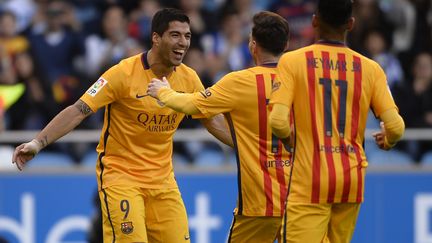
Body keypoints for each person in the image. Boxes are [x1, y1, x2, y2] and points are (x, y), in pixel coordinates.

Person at [12, 8, 232, 243]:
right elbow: (78, 110)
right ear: (156, 38)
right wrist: (37, 143)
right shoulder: (122, 74)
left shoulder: (189, 78)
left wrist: (247, 147)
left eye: (187, 36)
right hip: (121, 178)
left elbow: (211, 118)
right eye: (175, 35)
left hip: (163, 182)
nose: (183, 43)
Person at [147, 11, 291, 242]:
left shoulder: (240, 82)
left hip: (259, 204)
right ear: (285, 44)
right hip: (301, 200)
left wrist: (163, 92)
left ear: (253, 45)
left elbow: (195, 104)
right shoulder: (303, 81)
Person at [268, 0, 405, 242]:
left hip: (310, 179)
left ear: (314, 21)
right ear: (351, 24)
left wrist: (292, 142)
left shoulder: (292, 61)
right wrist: (388, 140)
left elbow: (278, 121)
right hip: (350, 180)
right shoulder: (371, 69)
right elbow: (395, 127)